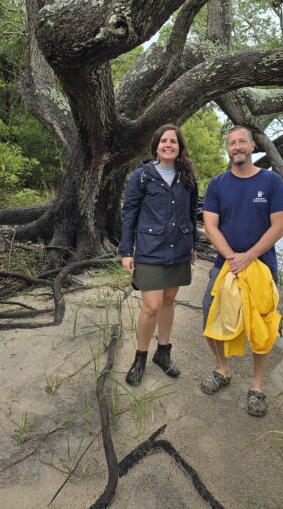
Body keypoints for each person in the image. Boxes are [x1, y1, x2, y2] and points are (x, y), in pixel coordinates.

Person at [201, 126, 283, 416]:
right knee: (210, 315)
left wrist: (249, 257)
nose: (237, 146)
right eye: (231, 143)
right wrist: (231, 258)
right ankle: (223, 370)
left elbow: (279, 225)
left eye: (242, 142)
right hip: (225, 265)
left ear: (252, 146)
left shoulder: (271, 181)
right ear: (227, 149)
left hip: (262, 266)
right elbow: (210, 225)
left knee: (262, 327)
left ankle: (256, 387)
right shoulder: (217, 184)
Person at [119, 124, 198, 385]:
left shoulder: (186, 176)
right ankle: (140, 357)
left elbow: (190, 214)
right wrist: (126, 251)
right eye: (163, 141)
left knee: (168, 300)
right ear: (156, 146)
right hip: (149, 250)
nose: (168, 145)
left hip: (179, 248)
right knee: (151, 306)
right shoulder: (141, 175)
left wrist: (193, 246)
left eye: (173, 141)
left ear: (180, 147)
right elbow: (129, 213)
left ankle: (163, 353)